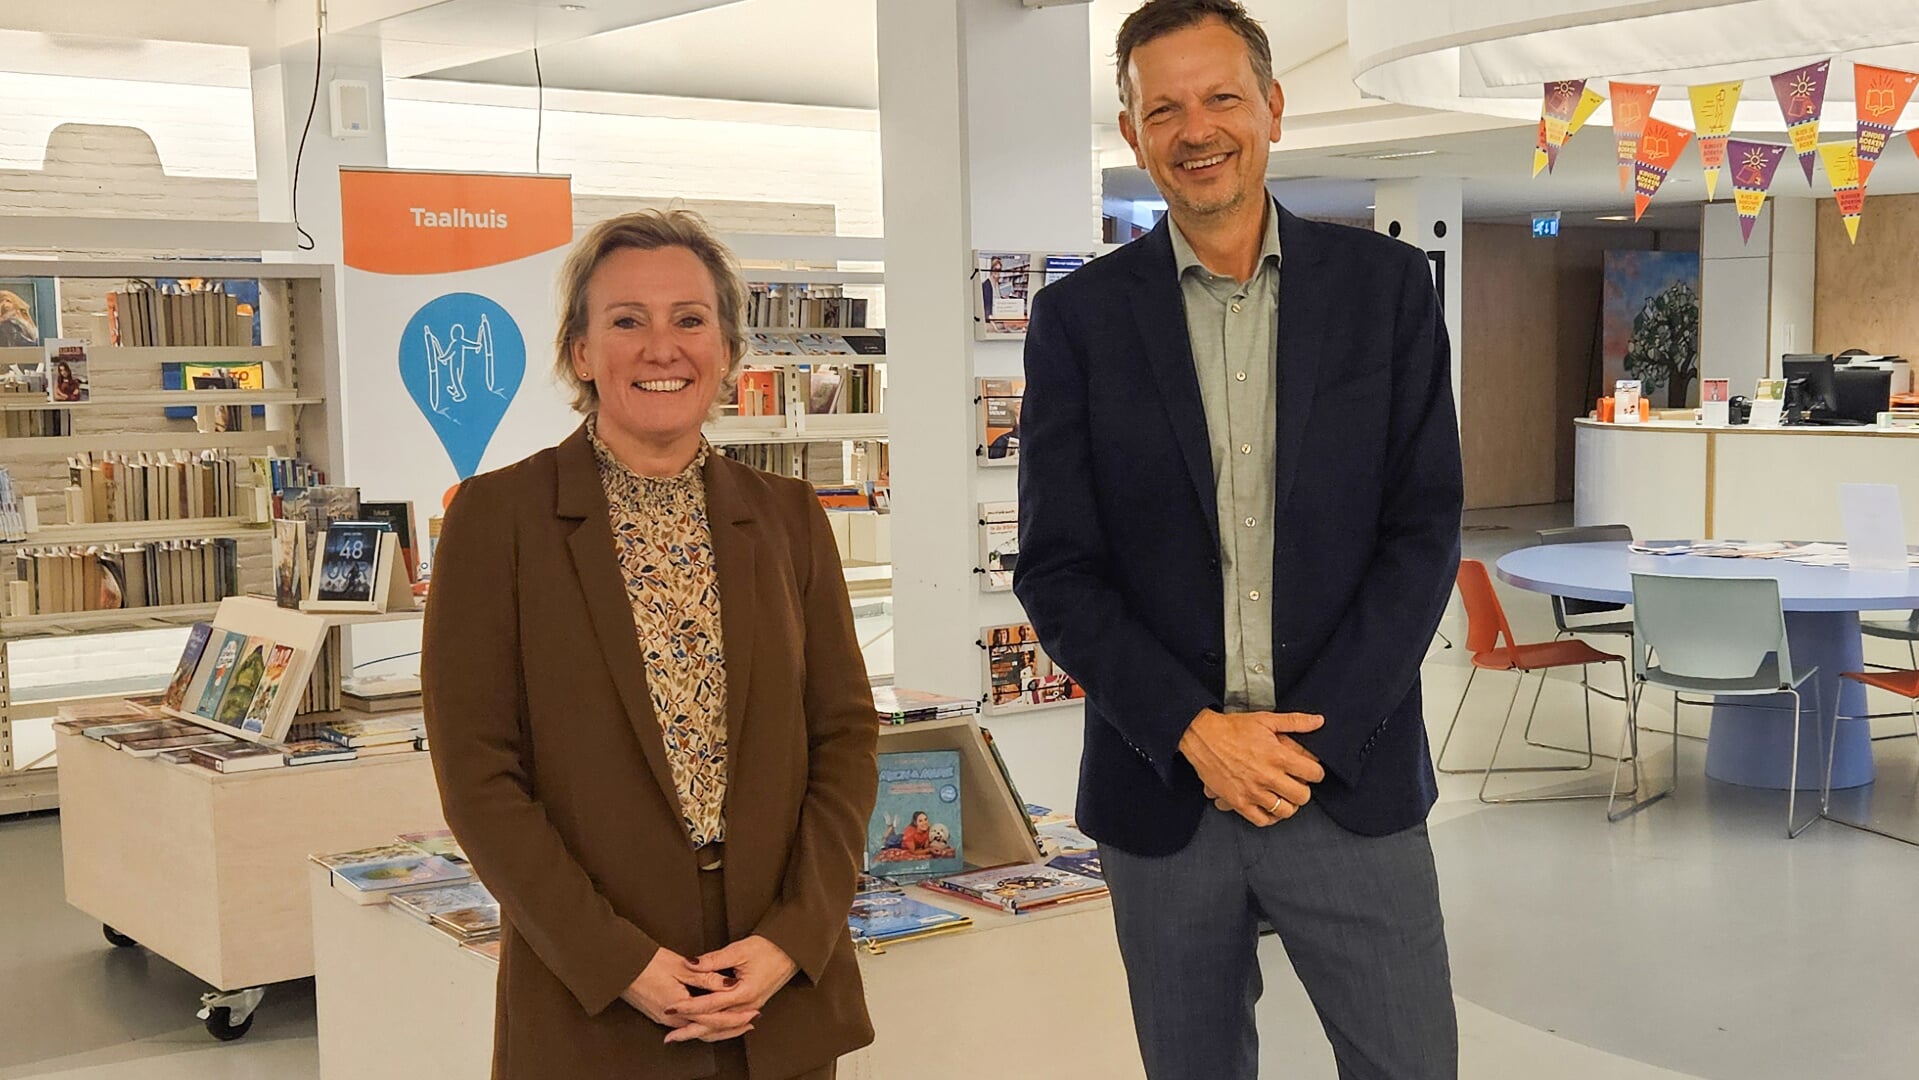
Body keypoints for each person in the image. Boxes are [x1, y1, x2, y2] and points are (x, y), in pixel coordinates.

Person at [1012, 2, 1464, 1078]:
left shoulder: (1386, 291)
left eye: (1219, 97)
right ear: (1129, 133)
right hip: (1163, 794)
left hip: (1346, 783)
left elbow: (1421, 532)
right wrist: (1196, 733)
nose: (1193, 128)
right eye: (1159, 107)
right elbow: (1057, 569)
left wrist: (1307, 743)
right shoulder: (1076, 320)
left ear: (1270, 106)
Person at [422, 210, 879, 1080]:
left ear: (729, 351)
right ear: (581, 352)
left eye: (690, 319)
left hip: (773, 990)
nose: (661, 347)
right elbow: (479, 780)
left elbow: (845, 739)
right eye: (627, 320)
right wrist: (616, 961)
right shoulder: (497, 520)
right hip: (596, 998)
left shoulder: (787, 520)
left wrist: (795, 935)